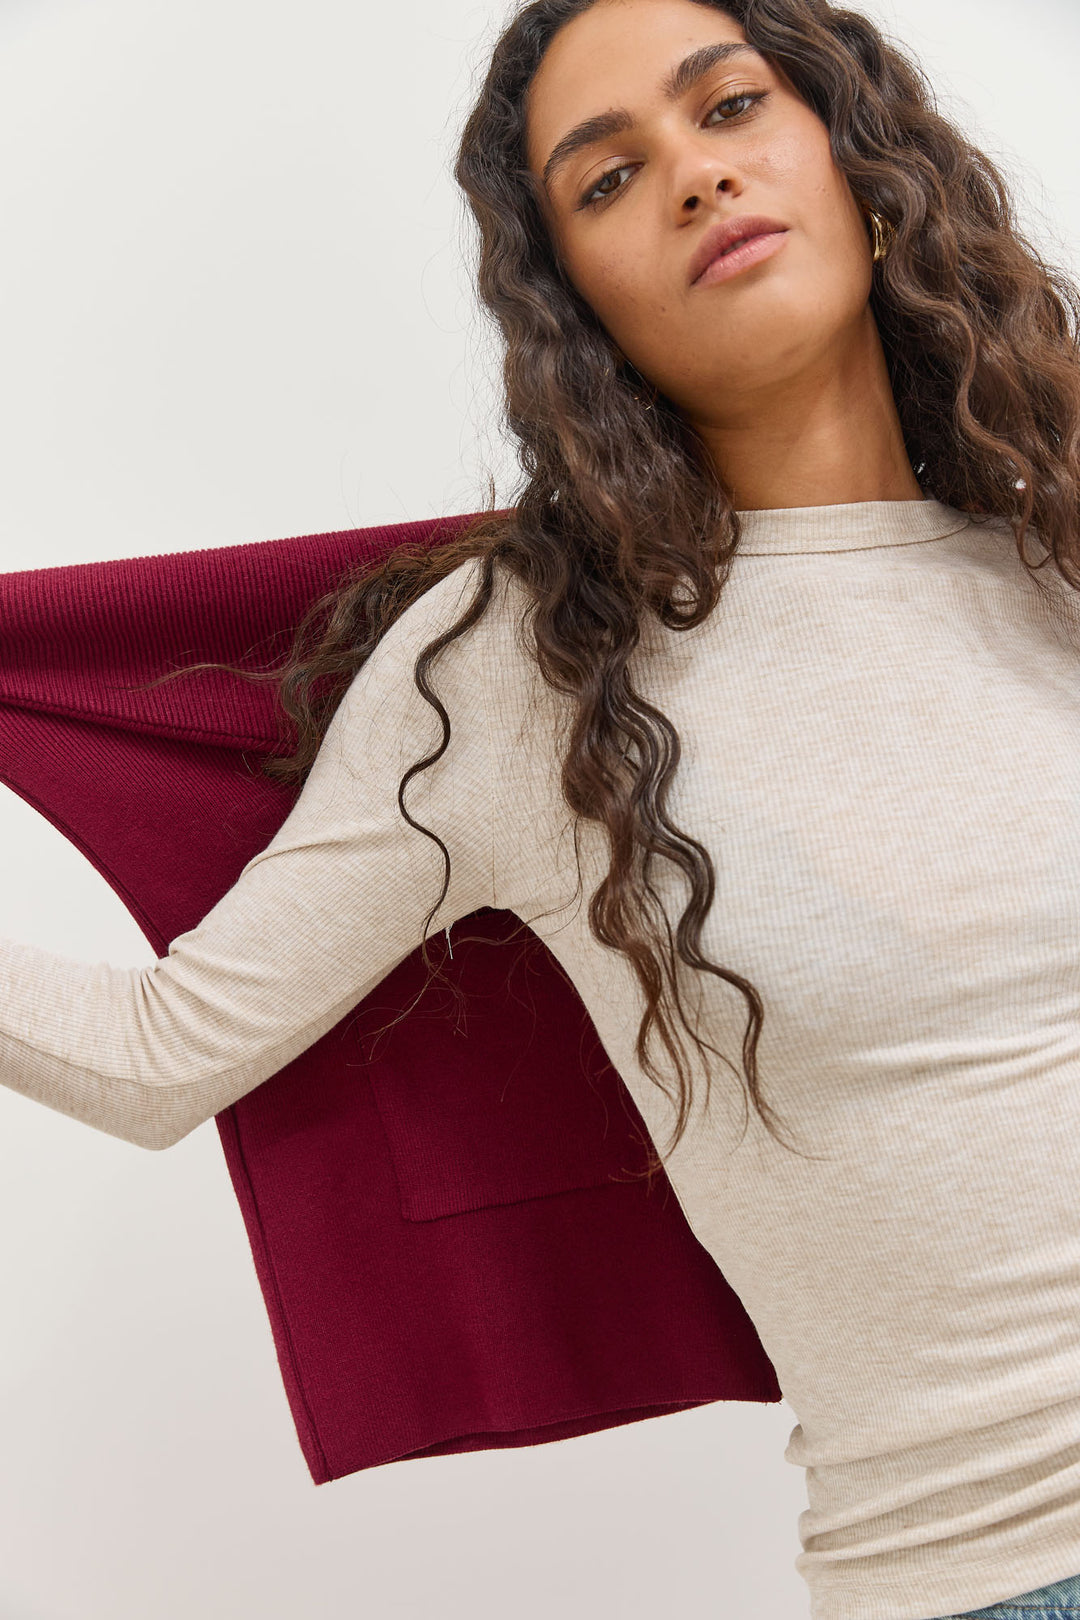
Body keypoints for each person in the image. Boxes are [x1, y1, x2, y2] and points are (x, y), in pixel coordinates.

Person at [2, 0, 1080, 1615]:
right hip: (999, 1571)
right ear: (576, 305)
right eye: (608, 178)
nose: (697, 176)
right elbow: (162, 1053)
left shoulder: (1054, 557)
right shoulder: (524, 668)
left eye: (730, 107)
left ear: (860, 161)